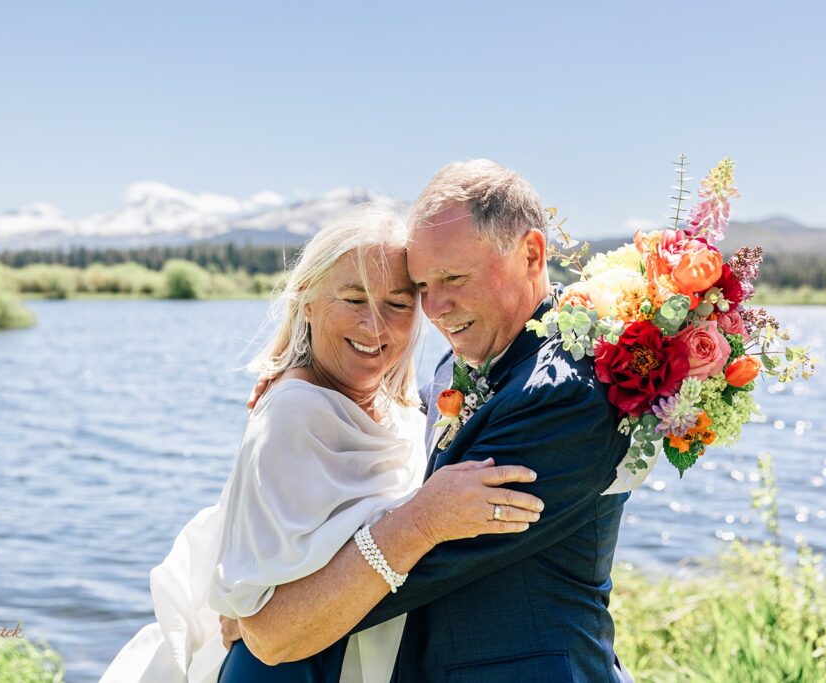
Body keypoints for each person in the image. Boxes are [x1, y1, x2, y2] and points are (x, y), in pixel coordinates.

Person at [100, 204, 544, 682]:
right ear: (307, 299)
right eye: (354, 299)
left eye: (397, 304)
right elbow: (268, 629)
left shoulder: (400, 410)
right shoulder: (293, 414)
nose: (374, 327)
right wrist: (425, 521)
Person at [228, 160, 633, 681]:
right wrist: (302, 388)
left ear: (531, 253)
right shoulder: (453, 365)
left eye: (453, 278)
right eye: (421, 286)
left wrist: (267, 613)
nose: (436, 308)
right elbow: (395, 430)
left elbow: (426, 557)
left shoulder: (569, 389)